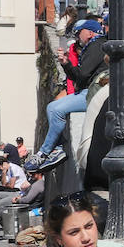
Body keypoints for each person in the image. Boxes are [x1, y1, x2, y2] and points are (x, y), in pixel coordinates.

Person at [25, 18, 107, 171]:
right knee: (53, 107)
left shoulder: (96, 45)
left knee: (55, 109)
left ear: (89, 32)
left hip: (94, 94)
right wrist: (66, 63)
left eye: (78, 33)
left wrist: (68, 64)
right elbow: (80, 77)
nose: (76, 37)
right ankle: (55, 148)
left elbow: (81, 76)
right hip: (91, 91)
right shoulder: (95, 45)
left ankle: (47, 151)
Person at [0, 168, 45, 234]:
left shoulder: (38, 184)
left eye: (33, 174)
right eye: (30, 174)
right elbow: (25, 191)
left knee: (0, 205)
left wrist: (18, 200)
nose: (31, 175)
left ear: (40, 174)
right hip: (20, 195)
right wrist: (21, 195)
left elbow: (27, 199)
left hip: (23, 202)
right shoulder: (34, 181)